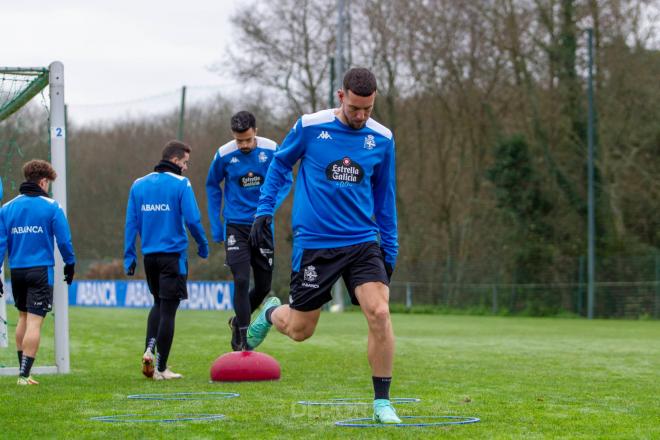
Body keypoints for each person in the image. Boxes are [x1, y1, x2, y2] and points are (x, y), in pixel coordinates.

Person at [248, 68, 401, 423]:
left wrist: (389, 250)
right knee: (301, 331)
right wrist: (264, 211)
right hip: (315, 244)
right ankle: (272, 311)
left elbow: (385, 198)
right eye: (355, 108)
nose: (361, 116)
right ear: (340, 96)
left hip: (363, 241)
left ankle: (382, 402)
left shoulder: (382, 139)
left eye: (369, 108)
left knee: (379, 313)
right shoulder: (310, 126)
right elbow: (279, 165)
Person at [206, 111, 291, 351]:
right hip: (235, 225)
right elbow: (212, 185)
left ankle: (237, 322)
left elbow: (286, 179)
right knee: (241, 280)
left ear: (256, 131)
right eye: (238, 140)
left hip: (262, 225)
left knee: (263, 286)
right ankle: (243, 339)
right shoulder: (224, 155)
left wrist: (269, 208)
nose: (243, 145)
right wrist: (216, 224)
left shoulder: (272, 149)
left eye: (247, 140)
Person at [124, 140, 209, 380]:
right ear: (174, 161)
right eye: (185, 162)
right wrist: (202, 245)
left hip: (149, 257)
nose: (186, 167)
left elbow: (131, 223)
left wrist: (129, 255)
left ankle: (149, 349)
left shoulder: (138, 185)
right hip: (173, 257)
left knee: (158, 304)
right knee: (169, 310)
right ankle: (161, 368)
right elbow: (193, 219)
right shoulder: (181, 184)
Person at [0, 160, 76, 385]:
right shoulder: (51, 206)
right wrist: (70, 264)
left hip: (17, 272)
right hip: (41, 270)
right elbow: (64, 240)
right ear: (43, 181)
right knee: (35, 321)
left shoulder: (7, 208)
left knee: (22, 317)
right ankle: (24, 375)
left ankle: (23, 372)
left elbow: (0, 244)